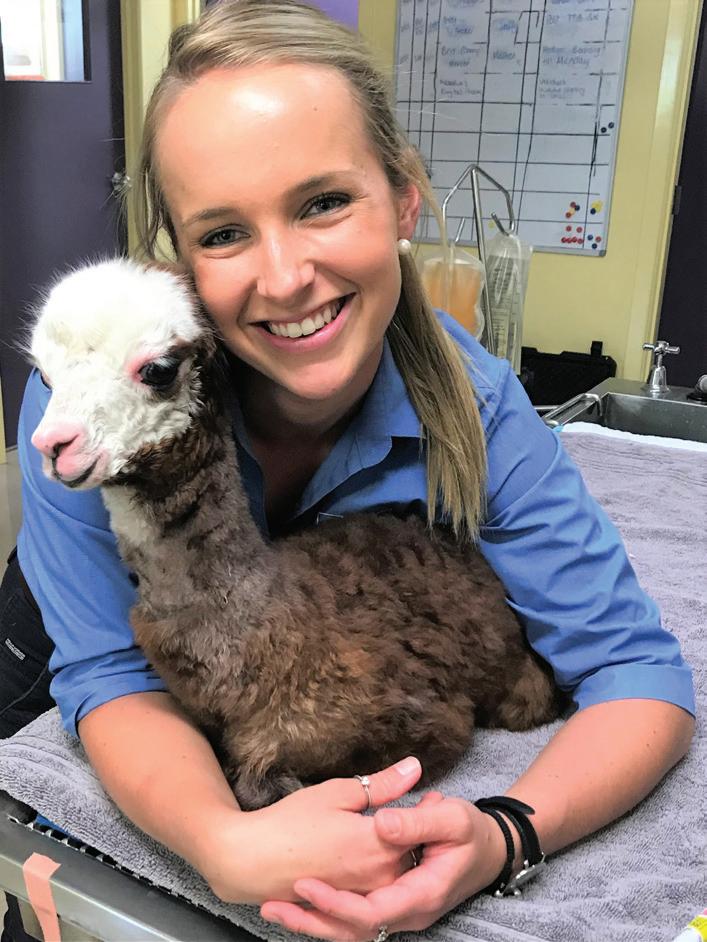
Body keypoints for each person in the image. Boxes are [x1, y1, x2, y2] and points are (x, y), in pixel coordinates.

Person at [1, 2, 695, 940]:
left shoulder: (476, 405)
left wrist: (503, 836)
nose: (286, 276)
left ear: (403, 199)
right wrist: (219, 840)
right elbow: (109, 672)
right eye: (223, 233)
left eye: (323, 202)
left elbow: (634, 672)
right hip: (84, 631)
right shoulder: (98, 393)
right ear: (181, 256)